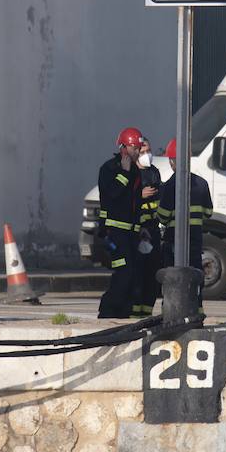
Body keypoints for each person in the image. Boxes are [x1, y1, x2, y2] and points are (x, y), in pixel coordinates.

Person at [157, 137, 214, 304]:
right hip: (195, 239)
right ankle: (196, 311)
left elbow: (163, 216)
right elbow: (208, 212)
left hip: (174, 240)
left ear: (172, 162)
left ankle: (172, 314)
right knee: (195, 275)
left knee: (173, 278)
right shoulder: (202, 184)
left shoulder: (170, 186)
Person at [96, 127, 144, 319]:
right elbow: (112, 194)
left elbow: (136, 203)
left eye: (139, 148)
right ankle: (107, 311)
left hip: (131, 234)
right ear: (124, 148)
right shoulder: (109, 169)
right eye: (135, 148)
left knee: (133, 275)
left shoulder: (135, 171)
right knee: (123, 272)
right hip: (114, 232)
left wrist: (141, 229)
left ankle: (124, 312)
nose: (138, 152)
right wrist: (123, 174)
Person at [131, 136, 163, 319]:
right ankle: (134, 315)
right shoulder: (132, 174)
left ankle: (147, 313)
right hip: (137, 232)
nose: (147, 155)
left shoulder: (154, 172)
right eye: (143, 152)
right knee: (138, 276)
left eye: (148, 151)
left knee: (152, 275)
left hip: (153, 231)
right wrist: (139, 194)